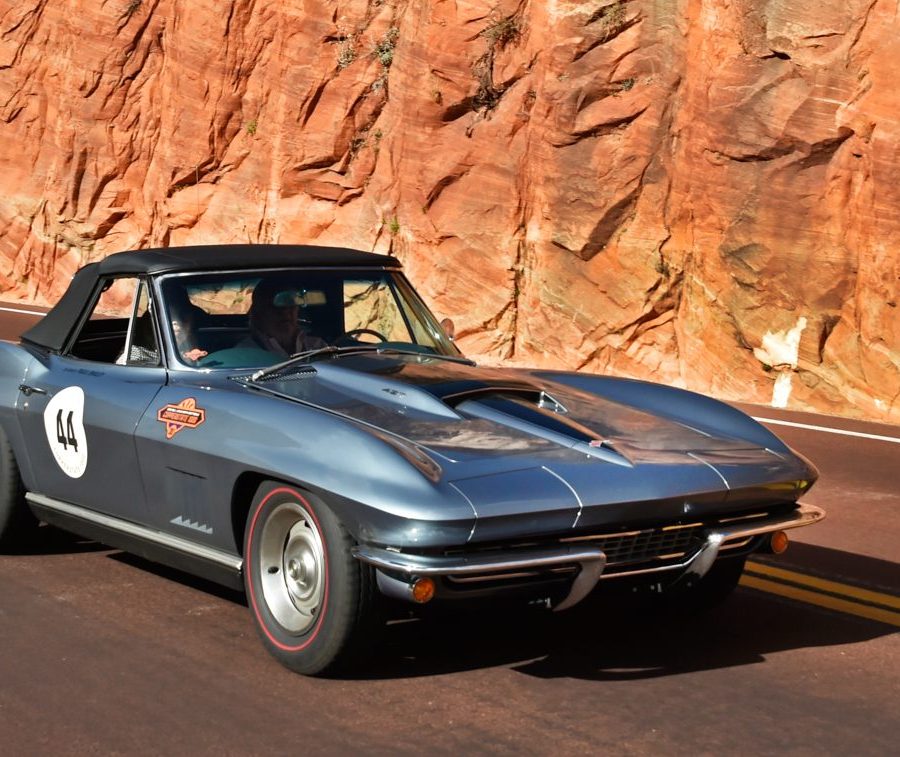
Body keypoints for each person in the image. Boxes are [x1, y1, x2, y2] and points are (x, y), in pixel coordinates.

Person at [239, 279, 327, 356]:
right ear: (259, 313)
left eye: (291, 304)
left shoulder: (318, 346)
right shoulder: (244, 353)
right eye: (275, 306)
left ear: (297, 309)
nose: (285, 312)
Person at [168, 288, 208, 363]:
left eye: (183, 317)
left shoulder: (199, 345)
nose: (177, 322)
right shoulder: (144, 355)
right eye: (169, 316)